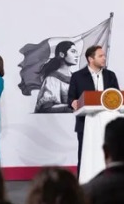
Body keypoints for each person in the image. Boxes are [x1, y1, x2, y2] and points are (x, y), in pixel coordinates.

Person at [67, 45, 119, 176]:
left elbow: (117, 97)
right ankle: (83, 184)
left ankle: (110, 182)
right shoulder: (77, 76)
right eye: (100, 56)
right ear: (90, 59)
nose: (104, 58)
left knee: (108, 156)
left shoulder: (110, 75)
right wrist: (73, 102)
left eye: (104, 56)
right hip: (85, 123)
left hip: (107, 123)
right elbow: (71, 98)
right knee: (85, 156)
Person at [34, 41, 79, 113]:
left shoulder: (76, 78)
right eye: (73, 51)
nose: (77, 55)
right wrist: (73, 107)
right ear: (62, 54)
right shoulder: (52, 79)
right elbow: (47, 107)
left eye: (76, 52)